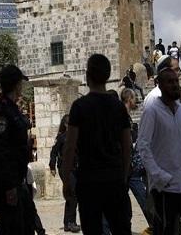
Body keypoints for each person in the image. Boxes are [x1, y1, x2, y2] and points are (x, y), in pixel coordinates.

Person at [61, 54, 132, 235]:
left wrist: (67, 180)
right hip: (114, 178)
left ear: (88, 75)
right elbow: (127, 145)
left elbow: (69, 147)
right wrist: (123, 176)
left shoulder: (79, 107)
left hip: (89, 181)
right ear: (108, 76)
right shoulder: (118, 107)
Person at [137, 68, 181, 235]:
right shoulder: (152, 111)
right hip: (165, 187)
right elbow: (143, 146)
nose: (175, 85)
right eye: (170, 82)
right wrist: (159, 175)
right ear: (160, 85)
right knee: (166, 230)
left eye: (176, 81)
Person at [0, 64, 45, 235]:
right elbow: (4, 152)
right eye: (20, 83)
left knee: (23, 223)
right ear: (15, 84)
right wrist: (10, 186)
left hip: (18, 178)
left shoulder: (11, 108)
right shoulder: (3, 111)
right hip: (9, 182)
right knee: (15, 226)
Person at [121, 88, 153, 233]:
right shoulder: (123, 116)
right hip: (129, 167)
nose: (136, 101)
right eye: (134, 98)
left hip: (129, 166)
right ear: (129, 99)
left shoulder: (125, 116)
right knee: (141, 198)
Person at [50, 114, 80, 233]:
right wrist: (52, 166)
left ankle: (67, 222)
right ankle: (71, 222)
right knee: (73, 194)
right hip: (65, 168)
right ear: (67, 125)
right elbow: (54, 152)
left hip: (75, 168)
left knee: (70, 195)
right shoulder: (62, 137)